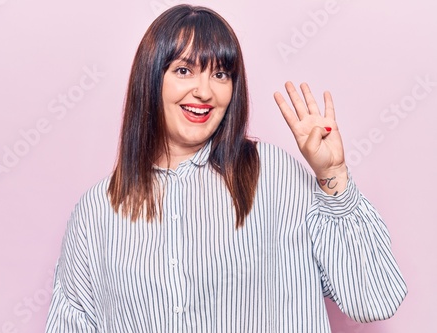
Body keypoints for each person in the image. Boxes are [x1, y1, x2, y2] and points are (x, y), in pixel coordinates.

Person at [45, 4, 407, 332]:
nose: (204, 91)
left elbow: (374, 298)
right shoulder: (96, 213)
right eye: (184, 70)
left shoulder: (273, 175)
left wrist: (334, 176)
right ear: (150, 79)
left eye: (220, 74)